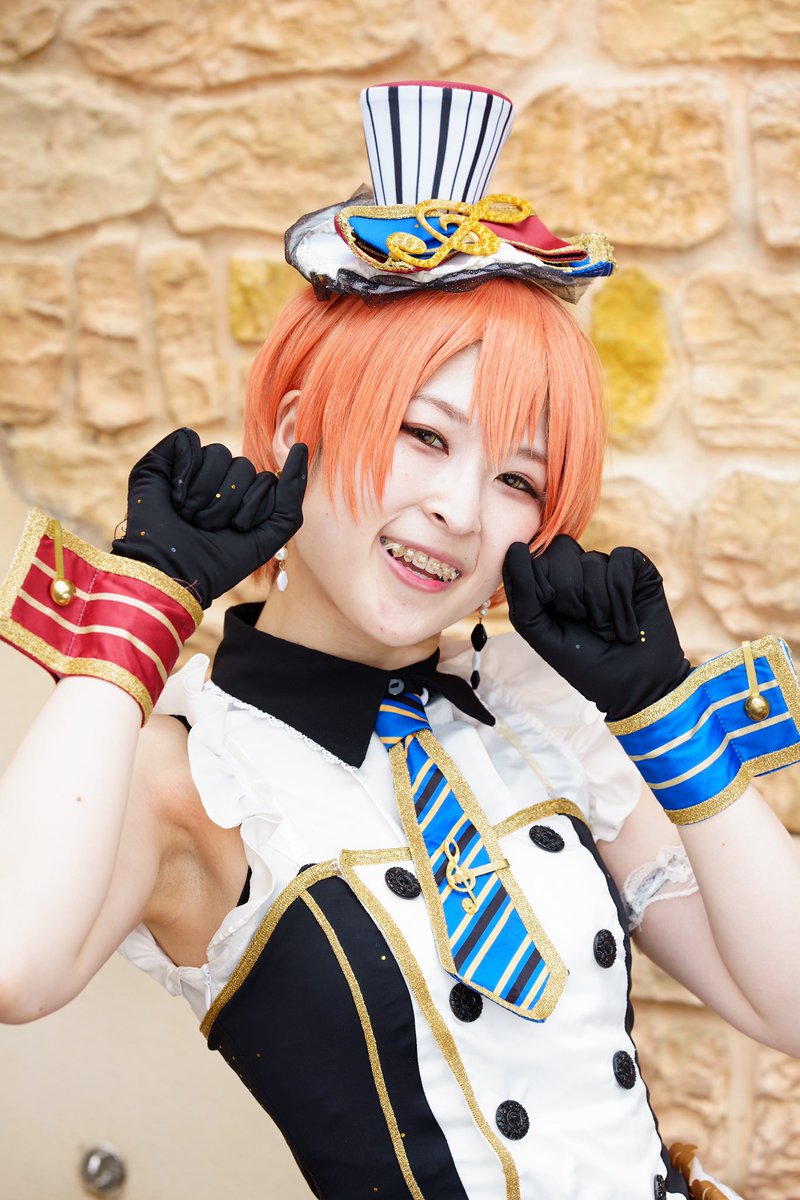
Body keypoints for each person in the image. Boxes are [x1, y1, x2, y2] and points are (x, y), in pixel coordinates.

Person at [2, 81, 800, 1200]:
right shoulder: (194, 775)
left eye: (517, 478)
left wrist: (660, 714)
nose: (460, 512)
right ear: (297, 432)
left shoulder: (539, 710)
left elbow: (787, 1001)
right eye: (424, 434)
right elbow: (15, 962)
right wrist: (144, 609)